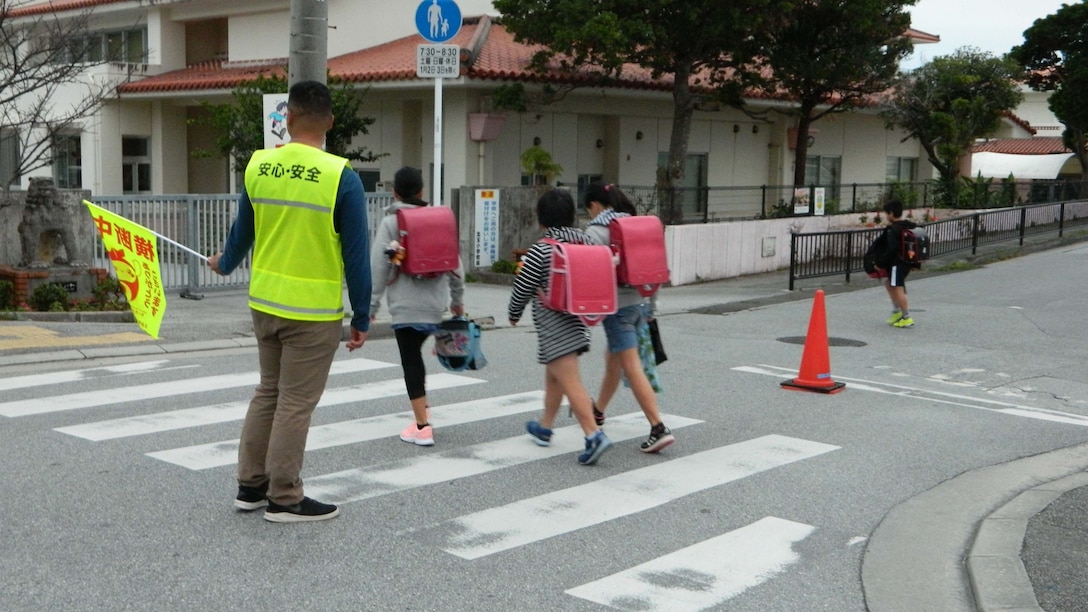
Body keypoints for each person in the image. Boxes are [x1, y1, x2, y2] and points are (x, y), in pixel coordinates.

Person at [208, 80, 372, 523]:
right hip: (312, 313)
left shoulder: (260, 166)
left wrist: (223, 263)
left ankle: (250, 486)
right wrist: (362, 315)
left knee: (268, 391)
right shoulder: (343, 178)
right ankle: (285, 496)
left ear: (288, 117)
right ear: (331, 123)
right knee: (295, 402)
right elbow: (357, 257)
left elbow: (242, 233)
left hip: (265, 304)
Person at [508, 189, 613, 465]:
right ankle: (544, 426)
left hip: (553, 326)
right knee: (555, 376)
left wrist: (514, 313)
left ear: (542, 220)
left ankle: (594, 435)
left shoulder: (541, 249)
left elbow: (523, 287)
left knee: (571, 382)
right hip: (579, 321)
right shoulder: (587, 243)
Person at [370, 166, 464, 447]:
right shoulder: (438, 220)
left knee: (411, 362)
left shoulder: (392, 222)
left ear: (394, 192)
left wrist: (371, 306)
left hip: (405, 308)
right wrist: (457, 301)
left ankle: (422, 427)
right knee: (420, 359)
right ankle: (423, 411)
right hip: (436, 307)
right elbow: (456, 265)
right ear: (422, 191)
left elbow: (379, 266)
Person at [583, 182, 675, 453]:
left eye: (588, 209)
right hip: (641, 303)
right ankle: (598, 412)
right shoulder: (638, 225)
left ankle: (658, 427)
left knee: (632, 367)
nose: (589, 214)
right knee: (613, 361)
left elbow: (590, 274)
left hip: (617, 310)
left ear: (596, 205)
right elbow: (658, 268)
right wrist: (650, 306)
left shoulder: (596, 232)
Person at [874, 198, 917, 328]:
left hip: (896, 263)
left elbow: (891, 249)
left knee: (898, 288)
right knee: (890, 284)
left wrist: (880, 263)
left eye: (887, 214)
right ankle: (896, 311)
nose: (886, 216)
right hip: (907, 261)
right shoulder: (910, 226)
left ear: (891, 213)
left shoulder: (893, 229)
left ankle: (906, 316)